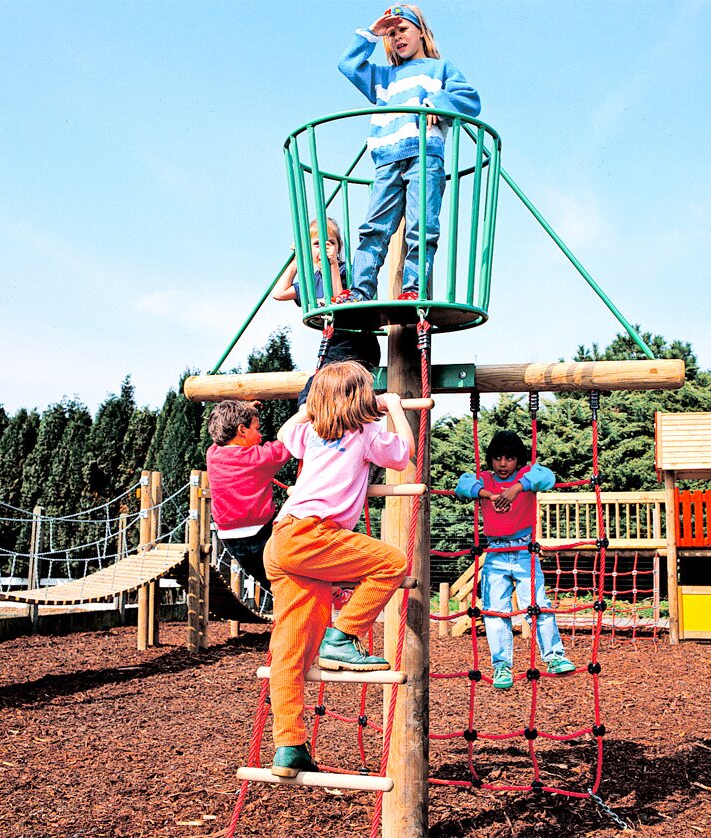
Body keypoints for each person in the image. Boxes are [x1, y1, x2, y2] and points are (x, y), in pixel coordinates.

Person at [264, 361, 414, 777]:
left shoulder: (310, 431)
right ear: (361, 398)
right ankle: (343, 636)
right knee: (392, 562)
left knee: (290, 652)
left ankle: (288, 746)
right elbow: (404, 456)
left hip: (283, 539)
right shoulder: (367, 431)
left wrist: (313, 408)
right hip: (312, 536)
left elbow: (283, 432)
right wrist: (395, 407)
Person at [337, 4, 480, 303]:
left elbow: (470, 100)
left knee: (421, 226)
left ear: (421, 33)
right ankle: (360, 292)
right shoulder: (383, 76)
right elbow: (348, 65)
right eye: (391, 34)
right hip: (387, 157)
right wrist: (372, 34)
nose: (397, 38)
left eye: (402, 30)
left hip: (424, 156)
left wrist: (438, 102)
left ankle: (412, 289)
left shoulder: (440, 69)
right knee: (373, 228)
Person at [455, 430, 575, 688]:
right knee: (495, 611)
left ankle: (554, 656)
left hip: (524, 551)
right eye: (497, 458)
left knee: (537, 604)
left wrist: (517, 489)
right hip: (495, 553)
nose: (502, 464)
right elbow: (462, 485)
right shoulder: (484, 479)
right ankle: (501, 667)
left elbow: (548, 477)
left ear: (518, 461)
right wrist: (488, 495)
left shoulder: (526, 475)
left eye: (509, 458)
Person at [273, 216, 380, 406]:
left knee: (326, 394)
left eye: (331, 242)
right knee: (310, 396)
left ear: (339, 247)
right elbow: (279, 293)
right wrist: (299, 259)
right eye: (316, 244)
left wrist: (332, 266)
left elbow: (340, 302)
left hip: (356, 344)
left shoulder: (349, 272)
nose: (324, 247)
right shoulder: (314, 281)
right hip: (335, 346)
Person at [205, 400, 290, 594]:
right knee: (291, 579)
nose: (260, 436)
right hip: (260, 533)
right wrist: (309, 412)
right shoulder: (260, 458)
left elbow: (221, 434)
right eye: (257, 429)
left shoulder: (213, 455)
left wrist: (242, 410)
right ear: (242, 430)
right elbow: (289, 439)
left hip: (228, 536)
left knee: (275, 586)